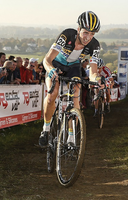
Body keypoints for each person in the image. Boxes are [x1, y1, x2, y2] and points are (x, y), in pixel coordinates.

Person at [39, 11, 101, 147]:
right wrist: (51, 70)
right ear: (78, 29)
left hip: (73, 67)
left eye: (92, 34)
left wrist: (97, 79)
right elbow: (47, 59)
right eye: (85, 32)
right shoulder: (67, 35)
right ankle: (46, 128)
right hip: (55, 64)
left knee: (76, 96)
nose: (88, 37)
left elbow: (93, 71)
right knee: (52, 94)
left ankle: (71, 138)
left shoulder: (94, 45)